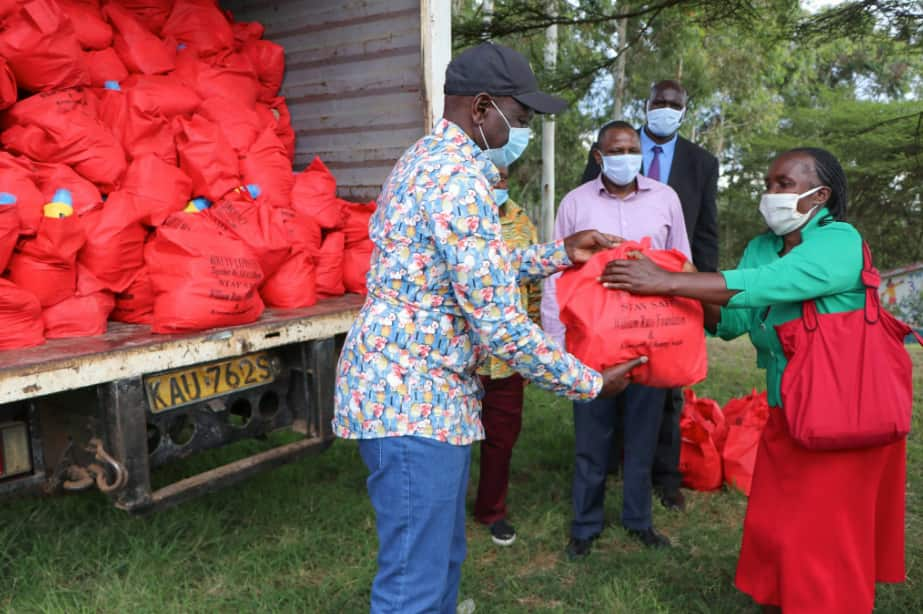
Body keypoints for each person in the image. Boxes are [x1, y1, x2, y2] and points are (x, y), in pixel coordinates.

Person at [332, 42, 646, 614]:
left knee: (441, 558)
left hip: (429, 397)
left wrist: (557, 255)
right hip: (412, 400)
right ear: (481, 109)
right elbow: (501, 324)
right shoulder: (457, 180)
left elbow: (467, 271)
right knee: (413, 585)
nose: (521, 131)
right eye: (519, 118)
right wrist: (590, 382)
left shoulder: (430, 159)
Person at [601, 147, 906, 613]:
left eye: (784, 184)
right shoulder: (762, 248)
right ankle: (790, 597)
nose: (772, 193)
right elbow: (730, 322)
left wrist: (666, 281)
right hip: (788, 413)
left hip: (844, 414)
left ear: (819, 195)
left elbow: (771, 284)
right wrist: (681, 277)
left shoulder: (840, 240)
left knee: (826, 534)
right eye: (769, 183)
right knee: (780, 525)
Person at [541, 120, 690, 557]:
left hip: (649, 338)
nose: (626, 156)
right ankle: (584, 526)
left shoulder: (666, 200)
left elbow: (682, 265)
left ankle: (638, 519)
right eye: (616, 150)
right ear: (598, 156)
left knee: (644, 435)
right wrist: (556, 338)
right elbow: (555, 272)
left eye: (632, 149)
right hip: (592, 342)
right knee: (592, 437)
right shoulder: (575, 203)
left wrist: (681, 333)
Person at [582, 80, 719, 511]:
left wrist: (702, 294)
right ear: (646, 106)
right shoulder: (611, 150)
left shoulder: (701, 163)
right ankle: (605, 468)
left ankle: (664, 474)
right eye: (658, 102)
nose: (665, 109)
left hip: (670, 290)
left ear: (684, 110)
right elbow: (585, 210)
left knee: (666, 387)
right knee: (609, 379)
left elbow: (703, 233)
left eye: (673, 104)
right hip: (610, 287)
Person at [473, 165, 541, 546]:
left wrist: (531, 347)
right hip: (462, 354)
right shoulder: (456, 215)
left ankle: (491, 510)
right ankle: (440, 510)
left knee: (501, 437)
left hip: (508, 354)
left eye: (502, 178)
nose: (496, 185)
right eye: (489, 178)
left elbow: (534, 290)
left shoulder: (520, 220)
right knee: (448, 440)